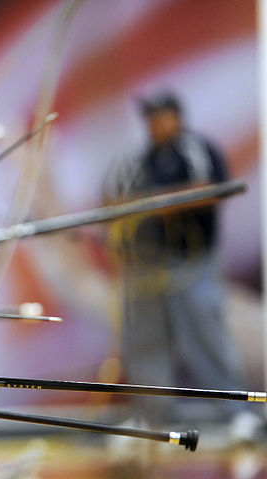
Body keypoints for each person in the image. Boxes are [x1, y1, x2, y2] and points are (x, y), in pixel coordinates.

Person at [105, 91, 257, 432]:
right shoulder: (137, 161)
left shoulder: (196, 150)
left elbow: (207, 190)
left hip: (193, 262)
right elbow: (115, 200)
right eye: (151, 118)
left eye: (163, 116)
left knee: (206, 336)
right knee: (145, 341)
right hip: (146, 266)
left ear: (177, 117)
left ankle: (236, 414)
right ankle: (151, 418)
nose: (157, 125)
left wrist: (156, 203)